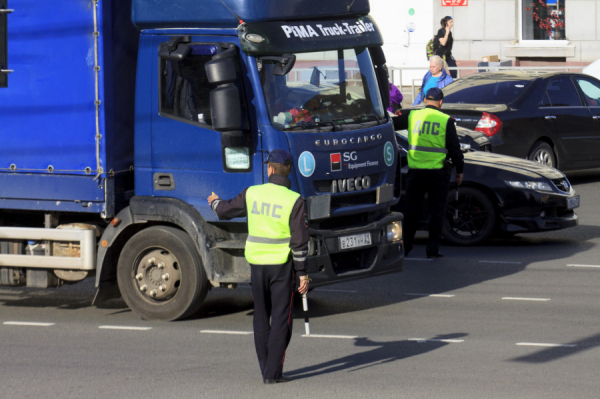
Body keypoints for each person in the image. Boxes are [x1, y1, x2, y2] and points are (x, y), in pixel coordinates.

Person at [207, 149, 309, 384]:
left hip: (256, 265)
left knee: (261, 317)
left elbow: (224, 211)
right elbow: (300, 241)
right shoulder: (294, 200)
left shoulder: (252, 193)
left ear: (270, 169)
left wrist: (214, 202)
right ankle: (272, 373)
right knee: (282, 319)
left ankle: (267, 370)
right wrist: (303, 274)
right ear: (288, 170)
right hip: (281, 267)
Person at [393, 88, 464, 258]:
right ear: (441, 102)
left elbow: (391, 125)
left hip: (416, 172)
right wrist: (459, 171)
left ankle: (407, 248)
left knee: (411, 211)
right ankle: (432, 250)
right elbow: (455, 149)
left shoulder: (412, 116)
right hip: (437, 173)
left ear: (425, 99)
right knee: (436, 211)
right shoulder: (446, 120)